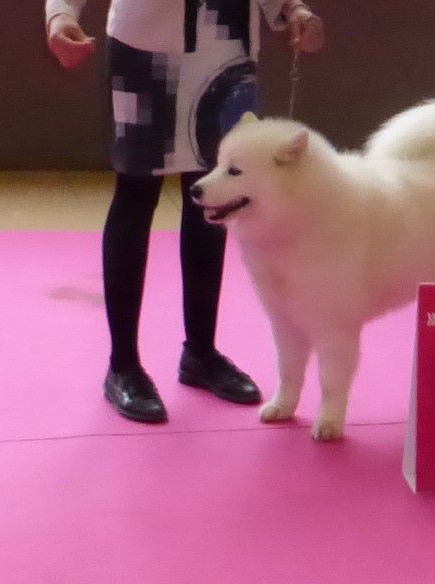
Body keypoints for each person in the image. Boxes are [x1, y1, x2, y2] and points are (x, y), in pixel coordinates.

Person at [45, 0, 325, 423]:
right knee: (136, 193)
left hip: (228, 49)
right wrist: (61, 12)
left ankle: (201, 353)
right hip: (144, 48)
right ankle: (123, 365)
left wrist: (291, 8)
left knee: (214, 198)